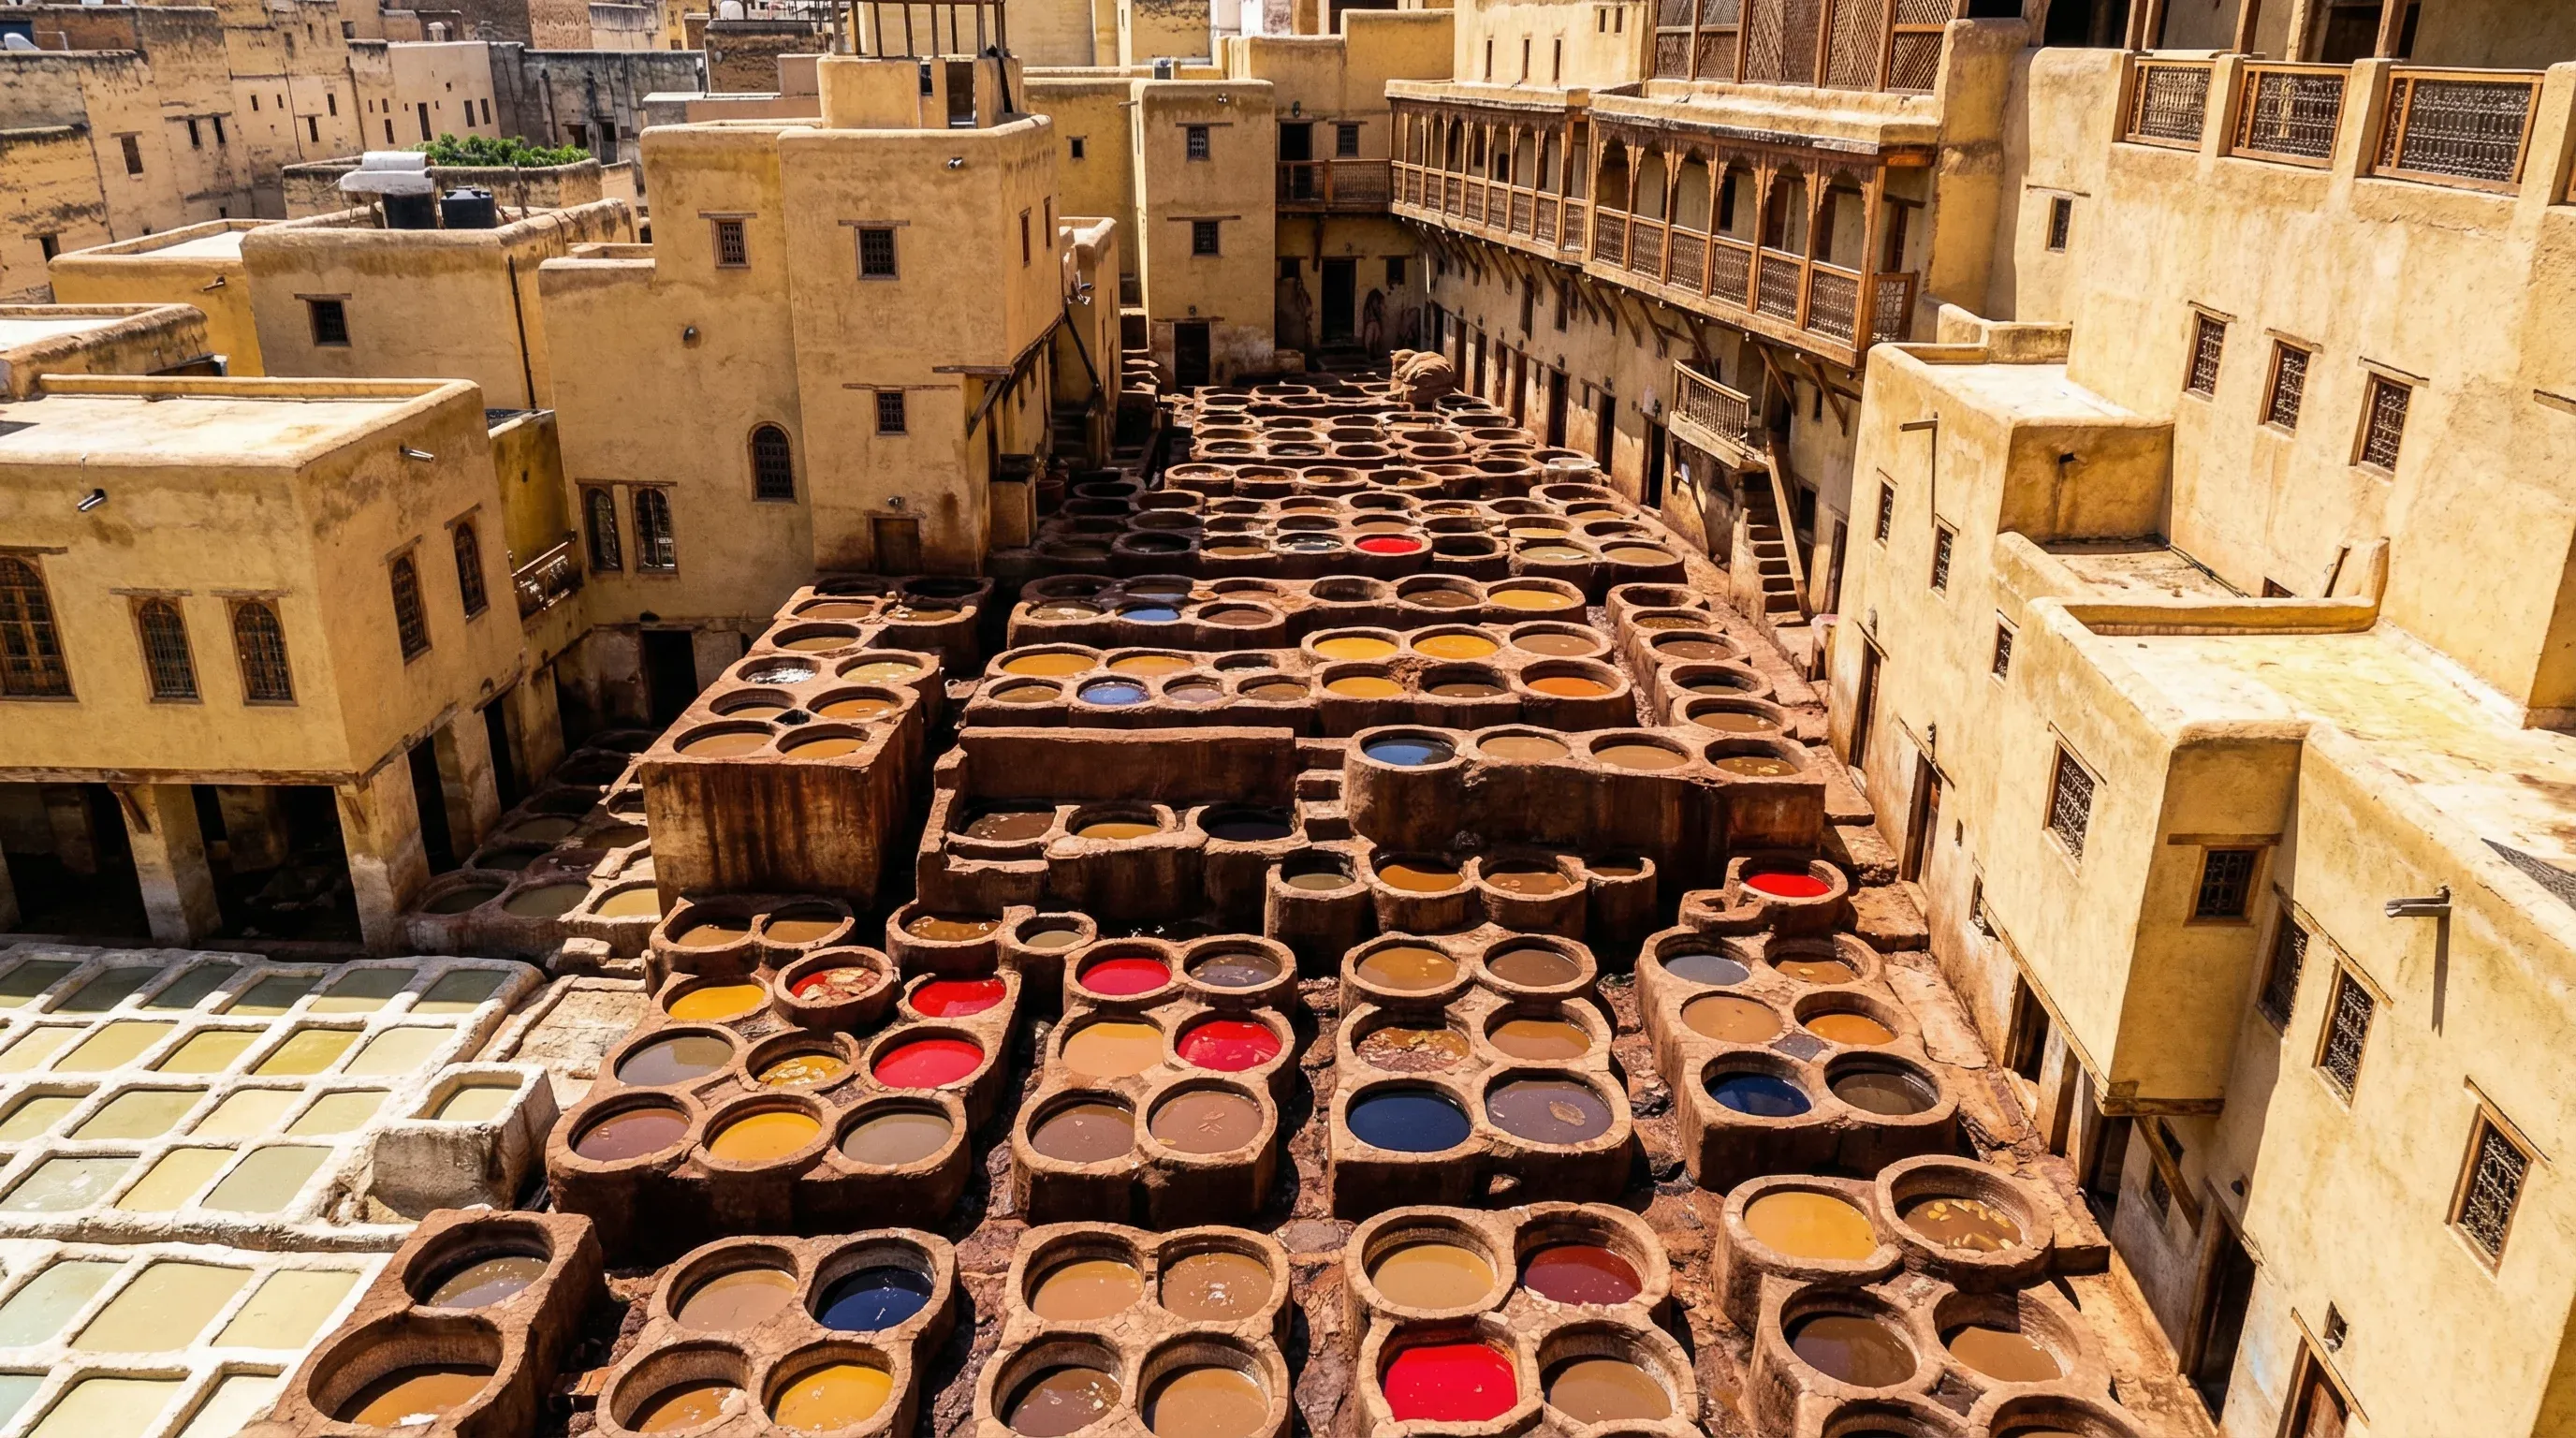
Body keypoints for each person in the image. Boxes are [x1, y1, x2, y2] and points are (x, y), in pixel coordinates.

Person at [1361, 287, 1386, 353]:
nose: (1383, 306)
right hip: (1371, 350)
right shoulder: (1373, 324)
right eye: (1380, 303)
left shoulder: (1373, 321)